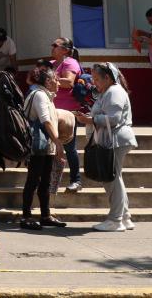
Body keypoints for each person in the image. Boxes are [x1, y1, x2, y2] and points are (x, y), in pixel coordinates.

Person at [75, 62, 137, 231]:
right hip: (114, 139)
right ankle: (124, 217)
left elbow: (113, 118)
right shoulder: (108, 92)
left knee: (111, 178)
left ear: (107, 77)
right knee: (115, 177)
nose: (94, 82)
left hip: (115, 139)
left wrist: (89, 120)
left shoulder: (114, 92)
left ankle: (116, 220)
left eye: (96, 78)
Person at [20, 67, 66, 230]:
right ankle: (26, 216)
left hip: (46, 145)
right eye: (56, 79)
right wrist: (59, 143)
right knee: (33, 180)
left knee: (45, 181)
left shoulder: (45, 95)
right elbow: (45, 120)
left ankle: (45, 215)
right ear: (47, 81)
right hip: (38, 145)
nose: (58, 82)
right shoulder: (39, 95)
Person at [48, 37, 84, 192]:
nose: (52, 47)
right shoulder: (50, 64)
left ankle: (76, 180)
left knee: (69, 147)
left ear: (65, 50)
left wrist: (48, 79)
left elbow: (69, 82)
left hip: (67, 112)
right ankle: (51, 181)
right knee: (50, 147)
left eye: (55, 45)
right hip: (51, 110)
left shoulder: (70, 63)